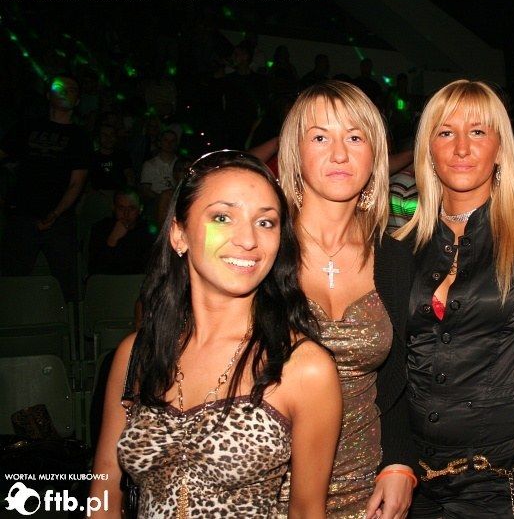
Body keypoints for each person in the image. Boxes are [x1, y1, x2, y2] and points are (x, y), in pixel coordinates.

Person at [89, 151, 342, 517]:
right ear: (179, 234)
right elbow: (103, 491)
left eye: (265, 222)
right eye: (222, 217)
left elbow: (306, 512)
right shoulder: (137, 353)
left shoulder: (303, 367)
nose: (248, 239)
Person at [394, 80, 514, 518]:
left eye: (477, 131)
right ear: (428, 149)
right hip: (403, 471)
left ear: (500, 148)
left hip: (491, 476)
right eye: (445, 132)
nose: (461, 148)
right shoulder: (402, 245)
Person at [276, 80, 416, 519]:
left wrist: (399, 462)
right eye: (320, 137)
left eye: (355, 138)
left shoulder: (396, 260)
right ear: (295, 152)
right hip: (264, 489)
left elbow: (402, 377)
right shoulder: (261, 249)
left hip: (365, 488)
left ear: (375, 154)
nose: (339, 154)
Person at [0, 74, 91, 301]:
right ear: (48, 95)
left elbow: (76, 183)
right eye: (60, 87)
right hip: (22, 215)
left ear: (78, 100)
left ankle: (70, 322)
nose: (65, 92)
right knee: (12, 279)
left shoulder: (80, 137)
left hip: (59, 220)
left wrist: (56, 213)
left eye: (72, 89)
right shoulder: (27, 127)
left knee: (67, 283)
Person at [87, 188, 155, 275]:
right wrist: (112, 239)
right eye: (121, 208)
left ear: (140, 209)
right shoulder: (101, 229)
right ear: (114, 208)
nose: (126, 213)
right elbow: (95, 267)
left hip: (136, 280)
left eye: (132, 208)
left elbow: (149, 267)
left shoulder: (147, 231)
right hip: (108, 280)